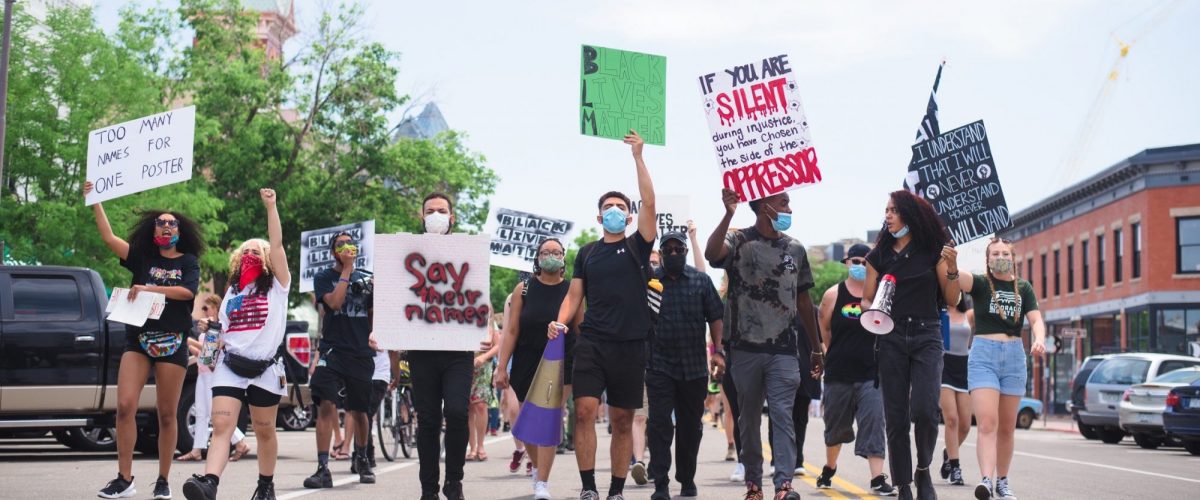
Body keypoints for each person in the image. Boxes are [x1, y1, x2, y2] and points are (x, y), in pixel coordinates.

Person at [548, 129, 655, 500]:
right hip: (592, 342)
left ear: (629, 217)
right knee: (584, 412)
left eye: (621, 207)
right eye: (608, 206)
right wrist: (561, 321)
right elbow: (574, 295)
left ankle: (616, 490)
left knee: (623, 420)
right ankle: (589, 487)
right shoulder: (588, 253)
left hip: (630, 345)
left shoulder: (638, 248)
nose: (614, 210)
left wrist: (638, 158)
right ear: (599, 216)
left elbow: (651, 203)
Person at [86, 181, 203, 500]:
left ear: (180, 229)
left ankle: (163, 480)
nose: (166, 227)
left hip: (172, 340)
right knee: (124, 406)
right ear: (152, 229)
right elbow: (109, 238)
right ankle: (124, 479)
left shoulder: (187, 262)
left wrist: (149, 288)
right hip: (138, 339)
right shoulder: (141, 258)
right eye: (160, 223)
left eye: (172, 223)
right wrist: (95, 200)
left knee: (167, 413)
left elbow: (187, 293)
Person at [704, 188, 823, 500]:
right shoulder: (738, 240)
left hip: (784, 349)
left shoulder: (795, 248)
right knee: (750, 417)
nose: (789, 207)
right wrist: (728, 213)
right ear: (764, 205)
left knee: (783, 415)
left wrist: (815, 346)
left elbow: (804, 299)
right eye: (783, 202)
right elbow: (711, 253)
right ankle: (754, 485)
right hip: (744, 348)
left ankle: (784, 485)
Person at [182, 188, 291, 500]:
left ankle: (266, 485)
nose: (251, 255)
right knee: (222, 425)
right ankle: (209, 483)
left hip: (265, 369)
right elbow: (223, 331)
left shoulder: (279, 286)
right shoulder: (232, 291)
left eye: (258, 251)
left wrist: (271, 207)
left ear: (269, 259)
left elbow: (279, 244)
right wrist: (211, 335)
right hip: (231, 367)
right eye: (246, 252)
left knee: (264, 429)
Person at [863, 190, 961, 500]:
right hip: (890, 337)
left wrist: (953, 267)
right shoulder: (877, 255)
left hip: (926, 335)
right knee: (896, 415)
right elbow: (866, 299)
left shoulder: (932, 251)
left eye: (894, 210)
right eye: (886, 210)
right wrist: (873, 309)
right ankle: (904, 484)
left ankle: (923, 469)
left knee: (925, 409)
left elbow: (951, 298)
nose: (888, 215)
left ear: (909, 214)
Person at [954, 238, 1044, 500]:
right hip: (984, 355)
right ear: (988, 258)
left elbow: (1036, 320)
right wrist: (949, 255)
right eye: (995, 253)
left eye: (1005, 253)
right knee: (986, 423)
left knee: (1006, 426)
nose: (1000, 256)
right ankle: (986, 480)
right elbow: (956, 276)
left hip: (1015, 357)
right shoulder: (981, 283)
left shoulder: (1024, 288)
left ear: (1013, 257)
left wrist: (1038, 339)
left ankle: (1003, 481)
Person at [495, 238, 577, 499]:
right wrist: (501, 367)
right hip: (526, 362)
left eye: (556, 251)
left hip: (561, 361)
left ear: (563, 257)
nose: (551, 255)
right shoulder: (524, 289)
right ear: (537, 257)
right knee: (525, 421)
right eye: (545, 252)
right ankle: (538, 467)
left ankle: (542, 482)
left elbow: (580, 329)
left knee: (549, 417)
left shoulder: (572, 290)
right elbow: (511, 330)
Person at [645, 231, 724, 500]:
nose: (674, 253)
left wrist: (719, 351)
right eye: (668, 250)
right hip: (658, 365)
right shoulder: (651, 281)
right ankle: (661, 483)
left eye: (679, 249)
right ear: (661, 253)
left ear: (686, 252)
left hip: (693, 367)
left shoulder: (701, 281)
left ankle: (687, 478)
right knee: (658, 424)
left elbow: (715, 317)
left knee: (691, 426)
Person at [815, 243, 896, 496]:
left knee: (874, 423)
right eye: (855, 261)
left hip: (871, 374)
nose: (860, 266)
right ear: (847, 263)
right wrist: (832, 352)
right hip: (838, 373)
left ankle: (877, 479)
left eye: (865, 261)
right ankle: (829, 468)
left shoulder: (880, 297)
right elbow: (825, 330)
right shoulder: (832, 295)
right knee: (835, 428)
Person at [410, 192, 474, 500]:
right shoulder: (404, 252)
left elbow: (476, 294)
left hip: (458, 352)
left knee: (459, 413)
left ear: (452, 218)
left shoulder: (468, 252)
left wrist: (482, 326)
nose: (436, 214)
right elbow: (396, 299)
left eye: (442, 210)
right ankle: (428, 489)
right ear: (421, 217)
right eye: (430, 210)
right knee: (428, 419)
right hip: (422, 351)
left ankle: (454, 481)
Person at [304, 231, 376, 488]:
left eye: (350, 243)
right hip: (332, 351)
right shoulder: (324, 277)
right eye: (340, 244)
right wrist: (346, 271)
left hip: (360, 352)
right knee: (325, 403)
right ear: (333, 251)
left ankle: (362, 458)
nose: (346, 247)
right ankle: (323, 467)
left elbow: (373, 316)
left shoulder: (367, 278)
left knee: (359, 410)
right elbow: (334, 304)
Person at [176, 294, 252, 463]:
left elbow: (212, 349)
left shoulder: (218, 327)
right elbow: (204, 354)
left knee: (214, 412)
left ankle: (240, 442)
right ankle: (197, 449)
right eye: (203, 308)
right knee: (202, 412)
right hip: (203, 373)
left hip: (213, 374)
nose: (204, 311)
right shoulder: (205, 327)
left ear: (216, 308)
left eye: (207, 307)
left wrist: (187, 340)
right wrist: (191, 347)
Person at [939, 293, 974, 487]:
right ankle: (955, 467)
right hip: (944, 367)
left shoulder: (969, 314)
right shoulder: (939, 313)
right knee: (951, 419)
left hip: (964, 368)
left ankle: (948, 453)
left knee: (966, 425)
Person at [468, 318, 500, 461]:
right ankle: (472, 447)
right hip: (463, 365)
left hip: (483, 367)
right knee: (467, 408)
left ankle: (481, 445)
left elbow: (498, 345)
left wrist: (485, 357)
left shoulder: (489, 320)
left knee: (480, 405)